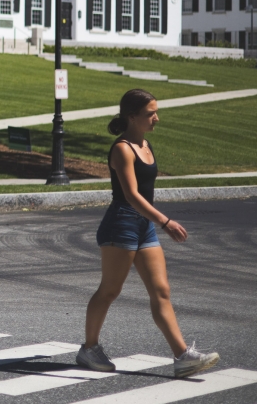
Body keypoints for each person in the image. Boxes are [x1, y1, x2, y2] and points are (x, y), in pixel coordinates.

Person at [77, 89, 220, 379]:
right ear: (132, 117)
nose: (156, 117)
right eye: (150, 113)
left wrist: (156, 222)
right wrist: (165, 222)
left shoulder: (145, 144)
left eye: (156, 111)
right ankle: (89, 348)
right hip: (122, 224)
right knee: (110, 290)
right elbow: (130, 194)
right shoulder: (122, 149)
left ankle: (182, 356)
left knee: (161, 291)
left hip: (143, 226)